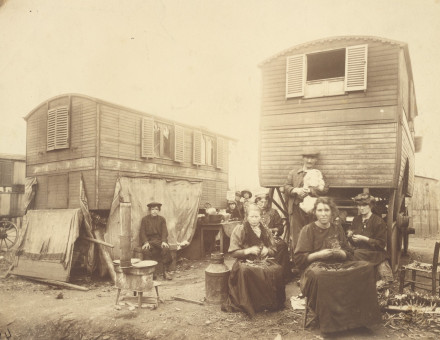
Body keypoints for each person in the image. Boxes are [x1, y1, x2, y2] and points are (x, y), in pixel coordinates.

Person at [293, 197, 381, 334]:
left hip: (339, 265)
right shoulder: (308, 229)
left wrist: (342, 254)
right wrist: (319, 254)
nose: (323, 214)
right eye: (320, 210)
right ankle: (331, 326)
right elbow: (299, 259)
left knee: (366, 267)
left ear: (332, 212)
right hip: (315, 267)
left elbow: (349, 252)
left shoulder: (337, 228)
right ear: (315, 212)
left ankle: (361, 320)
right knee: (322, 275)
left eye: (326, 210)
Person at [222, 204, 286, 316]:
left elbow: (274, 249)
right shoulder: (240, 229)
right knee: (246, 271)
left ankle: (269, 303)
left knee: (277, 269)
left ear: (260, 217)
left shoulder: (265, 230)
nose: (254, 219)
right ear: (247, 217)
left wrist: (267, 250)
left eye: (257, 217)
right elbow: (233, 252)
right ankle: (253, 304)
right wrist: (248, 251)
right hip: (245, 261)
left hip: (263, 260)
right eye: (252, 217)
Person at [284, 148, 328, 255]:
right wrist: (296, 190)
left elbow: (325, 189)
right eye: (307, 158)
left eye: (312, 158)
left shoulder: (318, 173)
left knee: (313, 233)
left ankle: (312, 262)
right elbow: (286, 187)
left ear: (316, 160)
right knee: (297, 235)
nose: (309, 161)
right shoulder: (294, 173)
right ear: (303, 158)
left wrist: (310, 191)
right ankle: (298, 263)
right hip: (295, 208)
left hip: (312, 209)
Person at [348, 193, 394, 287]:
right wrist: (351, 237)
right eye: (359, 205)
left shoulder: (378, 221)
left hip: (375, 252)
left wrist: (364, 238)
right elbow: (353, 241)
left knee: (354, 254)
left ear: (371, 206)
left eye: (364, 205)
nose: (361, 208)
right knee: (350, 254)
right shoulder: (356, 220)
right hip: (360, 251)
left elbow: (381, 244)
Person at [254, 193, 291, 283]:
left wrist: (274, 230)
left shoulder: (273, 212)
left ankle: (280, 276)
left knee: (282, 245)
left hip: (271, 238)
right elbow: (246, 227)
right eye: (260, 202)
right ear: (256, 202)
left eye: (265, 202)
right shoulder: (252, 212)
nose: (263, 204)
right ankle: (261, 275)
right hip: (256, 239)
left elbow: (280, 228)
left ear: (268, 202)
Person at [139, 201, 173, 280]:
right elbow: (142, 232)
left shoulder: (162, 219)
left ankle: (166, 272)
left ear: (159, 210)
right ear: (150, 210)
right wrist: (145, 242)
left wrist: (164, 241)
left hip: (159, 240)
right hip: (149, 241)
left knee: (166, 249)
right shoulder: (145, 219)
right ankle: (151, 273)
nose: (154, 211)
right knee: (146, 250)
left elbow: (164, 231)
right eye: (153, 209)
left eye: (156, 209)